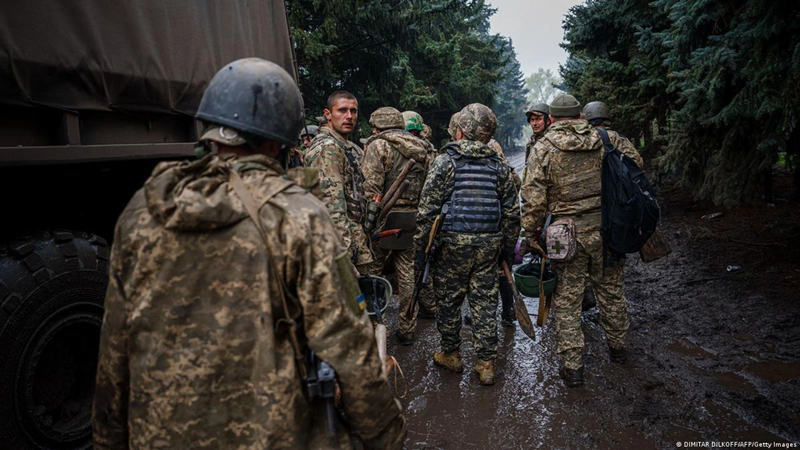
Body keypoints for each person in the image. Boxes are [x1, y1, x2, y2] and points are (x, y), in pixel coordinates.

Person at [92, 58, 405, 450]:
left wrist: (108, 441)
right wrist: (385, 437)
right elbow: (348, 348)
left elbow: (115, 351)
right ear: (279, 141)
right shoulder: (300, 215)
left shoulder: (142, 210)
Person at [520, 94, 644, 388]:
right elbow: (635, 168)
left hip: (565, 235)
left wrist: (529, 234)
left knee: (567, 299)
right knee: (611, 291)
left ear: (551, 118)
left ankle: (573, 368)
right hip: (606, 229)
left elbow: (534, 199)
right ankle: (618, 349)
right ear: (579, 116)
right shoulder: (604, 139)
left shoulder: (545, 147)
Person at [416, 103, 520, 386]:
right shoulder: (500, 167)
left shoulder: (445, 161)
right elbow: (512, 215)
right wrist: (507, 251)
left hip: (451, 246)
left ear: (460, 130)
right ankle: (485, 363)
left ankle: (451, 353)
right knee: (485, 301)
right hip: (489, 247)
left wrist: (421, 252)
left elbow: (427, 213)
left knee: (449, 301)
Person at [362, 107, 429, 345]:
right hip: (412, 217)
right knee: (408, 274)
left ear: (377, 126)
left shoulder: (378, 146)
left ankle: (372, 326)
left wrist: (367, 223)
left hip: (383, 219)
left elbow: (371, 188)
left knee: (372, 272)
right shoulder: (421, 147)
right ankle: (407, 328)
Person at [305, 91, 374, 271]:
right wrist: (342, 253)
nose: (349, 116)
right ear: (328, 114)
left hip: (354, 237)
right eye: (342, 110)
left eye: (353, 111)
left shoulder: (346, 147)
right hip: (342, 244)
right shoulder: (328, 148)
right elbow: (332, 205)